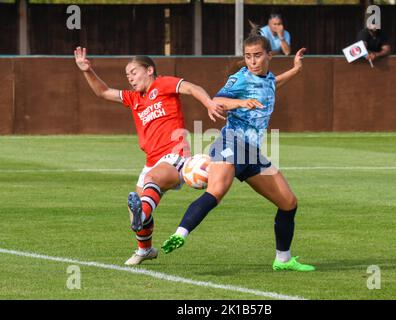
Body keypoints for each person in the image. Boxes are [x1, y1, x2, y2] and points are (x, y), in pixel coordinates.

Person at [161, 31, 315, 272]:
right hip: (231, 142)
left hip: (252, 153)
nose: (252, 61)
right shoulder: (240, 79)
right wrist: (241, 103)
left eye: (257, 56)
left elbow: (273, 84)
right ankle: (180, 233)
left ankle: (283, 260)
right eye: (248, 56)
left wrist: (296, 70)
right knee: (216, 192)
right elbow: (218, 99)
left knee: (288, 202)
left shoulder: (267, 78)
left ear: (269, 55)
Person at [73, 47, 224, 266]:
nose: (130, 78)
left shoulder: (162, 84)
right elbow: (103, 92)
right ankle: (145, 249)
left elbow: (191, 88)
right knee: (137, 207)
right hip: (152, 160)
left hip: (175, 155)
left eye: (134, 72)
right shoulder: (134, 98)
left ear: (149, 70)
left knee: (149, 188)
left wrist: (209, 102)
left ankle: (141, 216)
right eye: (127, 75)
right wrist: (87, 71)